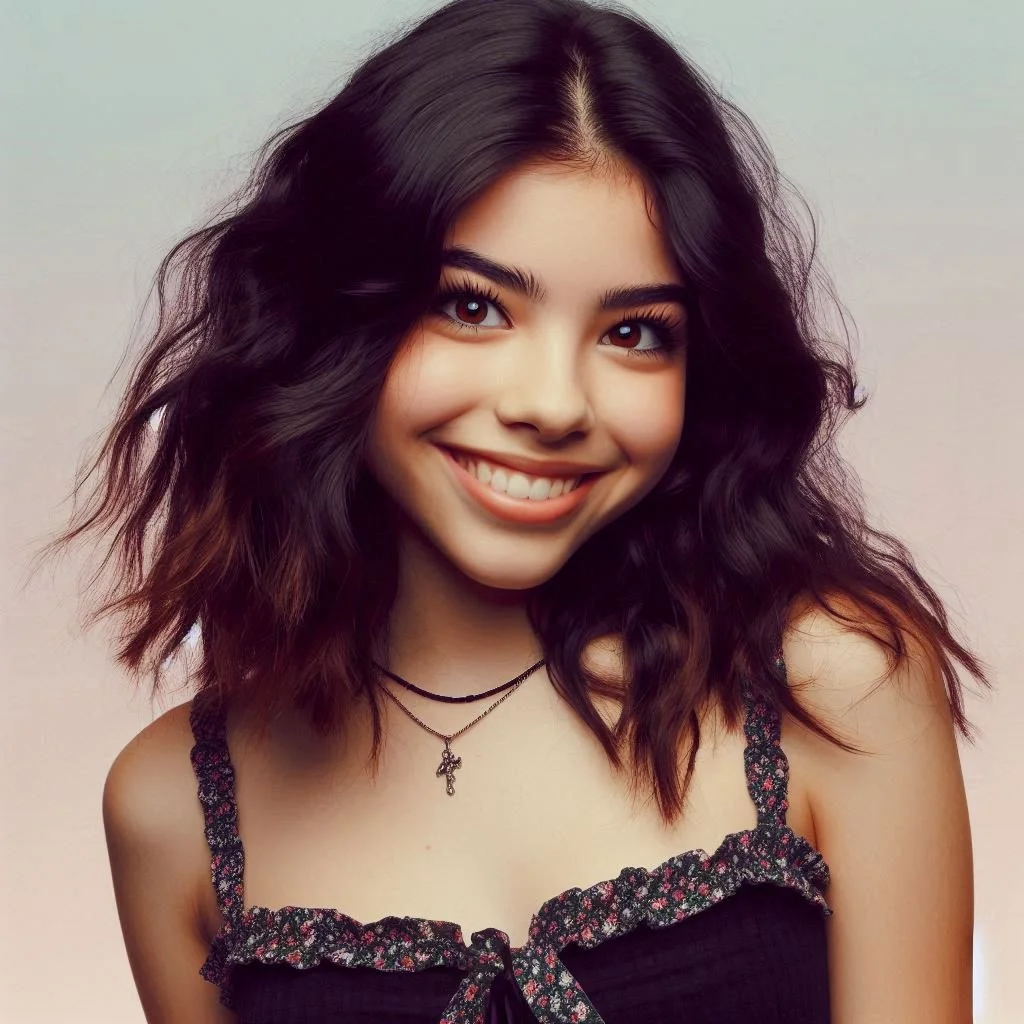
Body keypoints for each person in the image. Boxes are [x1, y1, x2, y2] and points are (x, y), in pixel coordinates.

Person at [34, 0, 987, 1020]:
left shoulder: (832, 689)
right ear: (334, 320)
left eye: (633, 331)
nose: (551, 403)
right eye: (473, 305)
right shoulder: (172, 807)